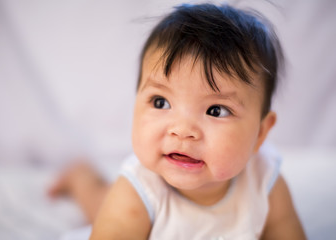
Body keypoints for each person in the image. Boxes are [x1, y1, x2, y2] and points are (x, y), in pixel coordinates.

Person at [50, 3, 306, 239]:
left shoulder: (265, 182)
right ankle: (81, 177)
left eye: (216, 110)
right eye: (161, 102)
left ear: (260, 133)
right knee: (99, 203)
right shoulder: (137, 191)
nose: (182, 131)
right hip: (132, 216)